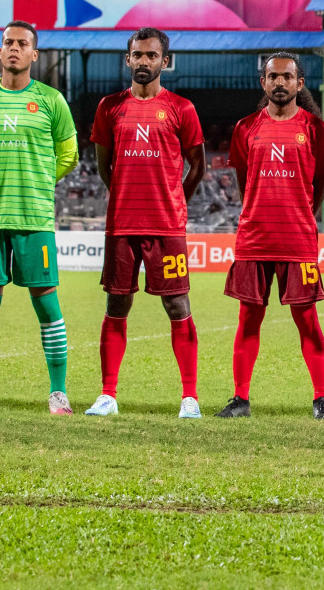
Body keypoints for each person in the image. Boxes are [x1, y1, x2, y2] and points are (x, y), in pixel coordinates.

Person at [0, 21, 80, 415]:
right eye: (8, 42)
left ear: (34, 54)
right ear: (0, 50)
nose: (14, 49)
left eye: (22, 43)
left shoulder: (51, 101)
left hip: (34, 217)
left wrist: (39, 181)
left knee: (46, 302)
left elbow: (69, 155)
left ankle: (58, 392)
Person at [84, 28, 206, 419]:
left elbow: (198, 165)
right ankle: (107, 394)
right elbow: (105, 165)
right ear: (127, 59)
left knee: (177, 304)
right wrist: (125, 194)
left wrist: (172, 199)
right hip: (121, 224)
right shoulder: (109, 107)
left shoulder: (181, 109)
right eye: (137, 55)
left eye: (151, 56)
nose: (143, 62)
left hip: (166, 226)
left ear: (165, 62)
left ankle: (190, 398)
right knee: (117, 303)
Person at [217, 53, 324, 419]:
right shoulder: (245, 127)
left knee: (307, 320)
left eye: (287, 77)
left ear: (300, 84)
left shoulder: (316, 129)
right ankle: (240, 400)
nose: (280, 83)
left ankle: (321, 400)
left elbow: (319, 187)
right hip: (254, 239)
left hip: (298, 240)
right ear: (263, 83)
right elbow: (243, 184)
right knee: (248, 319)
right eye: (273, 77)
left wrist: (298, 215)